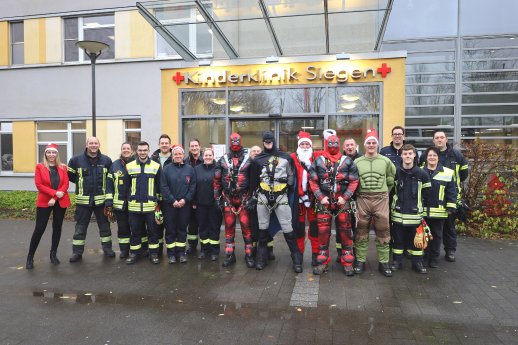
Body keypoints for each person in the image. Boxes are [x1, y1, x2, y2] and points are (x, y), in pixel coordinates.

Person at [250, 131, 303, 273]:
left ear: (274, 141)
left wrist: (285, 188)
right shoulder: (257, 160)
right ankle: (261, 259)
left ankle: (297, 260)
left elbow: (292, 178)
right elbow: (254, 182)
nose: (268, 143)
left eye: (270, 141)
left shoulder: (286, 157)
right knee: (262, 230)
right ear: (263, 142)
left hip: (281, 197)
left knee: (288, 230)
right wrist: (252, 198)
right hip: (262, 198)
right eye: (265, 141)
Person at [309, 133, 359, 276]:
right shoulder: (318, 161)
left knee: (345, 230)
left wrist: (345, 197)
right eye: (330, 143)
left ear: (339, 144)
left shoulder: (347, 161)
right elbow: (313, 181)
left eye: (335, 143)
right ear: (326, 144)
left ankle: (348, 261)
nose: (333, 146)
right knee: (323, 231)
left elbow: (354, 180)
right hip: (324, 202)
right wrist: (320, 197)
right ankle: (322, 261)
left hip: (342, 202)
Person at [418, 130, 468, 262]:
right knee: (432, 230)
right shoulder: (425, 156)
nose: (439, 140)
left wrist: (452, 199)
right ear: (433, 140)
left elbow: (464, 174)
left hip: (450, 197)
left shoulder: (456, 155)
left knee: (449, 227)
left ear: (446, 139)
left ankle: (450, 251)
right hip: (433, 199)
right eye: (437, 138)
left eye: (442, 137)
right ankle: (427, 253)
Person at [353, 129, 396, 277]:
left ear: (377, 145)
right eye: (369, 142)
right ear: (365, 145)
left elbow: (391, 178)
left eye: (374, 143)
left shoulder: (385, 161)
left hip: (381, 198)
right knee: (361, 229)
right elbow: (352, 180)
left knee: (383, 230)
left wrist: (385, 192)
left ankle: (384, 263)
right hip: (362, 198)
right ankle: (360, 261)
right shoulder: (357, 162)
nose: (371, 145)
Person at [67, 137, 114, 262]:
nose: (93, 145)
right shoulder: (75, 160)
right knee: (80, 228)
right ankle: (77, 252)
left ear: (99, 144)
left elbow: (110, 180)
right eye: (91, 143)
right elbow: (71, 176)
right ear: (87, 145)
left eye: (95, 143)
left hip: (101, 201)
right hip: (83, 202)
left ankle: (107, 249)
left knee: (105, 227)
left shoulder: (106, 160)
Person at [26, 143, 70, 269]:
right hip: (45, 201)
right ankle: (30, 257)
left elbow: (65, 184)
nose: (51, 155)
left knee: (57, 227)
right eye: (49, 152)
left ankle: (53, 254)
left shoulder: (62, 167)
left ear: (57, 154)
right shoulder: (40, 167)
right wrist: (54, 194)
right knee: (39, 228)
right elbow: (39, 185)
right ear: (45, 153)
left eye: (54, 152)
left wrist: (55, 198)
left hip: (60, 201)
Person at [214, 133, 254, 268]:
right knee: (229, 226)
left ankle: (249, 254)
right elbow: (217, 180)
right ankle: (230, 255)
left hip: (244, 197)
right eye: (233, 140)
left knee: (246, 226)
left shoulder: (249, 159)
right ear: (230, 142)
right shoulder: (222, 159)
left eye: (237, 140)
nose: (235, 142)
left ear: (241, 141)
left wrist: (253, 198)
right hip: (228, 197)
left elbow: (254, 181)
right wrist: (217, 198)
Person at [390, 144, 431, 274]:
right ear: (401, 155)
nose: (407, 156)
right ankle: (397, 262)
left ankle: (417, 263)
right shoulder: (395, 172)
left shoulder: (422, 174)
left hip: (415, 215)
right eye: (405, 153)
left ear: (414, 155)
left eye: (410, 153)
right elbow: (391, 192)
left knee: (416, 242)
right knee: (398, 241)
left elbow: (427, 193)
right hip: (398, 214)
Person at [125, 141, 162, 264]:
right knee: (135, 232)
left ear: (149, 150)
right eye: (140, 150)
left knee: (153, 232)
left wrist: (159, 205)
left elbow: (160, 185)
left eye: (145, 150)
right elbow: (126, 186)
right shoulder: (129, 166)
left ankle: (154, 254)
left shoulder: (156, 166)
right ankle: (134, 254)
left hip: (151, 207)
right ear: (136, 151)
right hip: (134, 207)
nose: (142, 152)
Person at [422, 146, 457, 268]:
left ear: (438, 158)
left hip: (439, 212)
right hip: (423, 211)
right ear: (426, 158)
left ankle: (434, 258)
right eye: (430, 155)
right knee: (424, 236)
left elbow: (452, 191)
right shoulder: (421, 171)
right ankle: (424, 257)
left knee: (437, 236)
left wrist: (450, 207)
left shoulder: (447, 172)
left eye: (434, 155)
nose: (432, 158)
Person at [161, 145, 196, 264]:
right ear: (172, 156)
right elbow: (163, 187)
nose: (178, 156)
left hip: (184, 205)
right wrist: (173, 200)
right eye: (175, 154)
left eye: (180, 154)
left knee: (182, 229)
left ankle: (181, 253)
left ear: (183, 155)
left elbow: (193, 187)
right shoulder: (166, 169)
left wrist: (185, 200)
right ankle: (171, 254)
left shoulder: (190, 169)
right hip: (170, 205)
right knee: (170, 229)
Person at [290, 131, 319, 266]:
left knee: (315, 228)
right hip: (298, 200)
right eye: (303, 144)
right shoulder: (291, 158)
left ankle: (316, 254)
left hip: (314, 199)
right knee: (299, 228)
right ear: (298, 145)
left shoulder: (317, 157)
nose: (305, 146)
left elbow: (332, 154)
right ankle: (298, 256)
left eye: (307, 144)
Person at [106, 142, 134, 259]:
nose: (126, 150)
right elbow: (109, 185)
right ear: (121, 150)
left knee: (136, 227)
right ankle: (124, 250)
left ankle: (137, 249)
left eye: (128, 148)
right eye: (124, 148)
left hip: (135, 203)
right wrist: (109, 203)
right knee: (122, 228)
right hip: (120, 204)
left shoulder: (137, 163)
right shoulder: (114, 165)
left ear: (132, 150)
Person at [194, 148, 222, 261]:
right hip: (200, 204)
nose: (208, 157)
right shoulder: (196, 169)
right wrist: (194, 201)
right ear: (203, 156)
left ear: (213, 156)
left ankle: (214, 251)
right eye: (206, 155)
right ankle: (204, 250)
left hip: (214, 205)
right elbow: (193, 186)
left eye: (210, 155)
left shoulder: (218, 169)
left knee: (214, 227)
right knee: (203, 228)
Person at [249, 145, 275, 261]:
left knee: (267, 226)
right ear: (250, 154)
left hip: (266, 200)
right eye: (253, 151)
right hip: (252, 201)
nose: (255, 153)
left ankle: (269, 250)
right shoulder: (246, 166)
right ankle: (254, 250)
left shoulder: (266, 165)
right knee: (253, 226)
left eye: (258, 151)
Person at [151, 134, 173, 256]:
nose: (164, 145)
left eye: (166, 143)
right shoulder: (153, 159)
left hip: (169, 199)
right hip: (157, 199)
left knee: (169, 225)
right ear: (159, 144)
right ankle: (158, 251)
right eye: (162, 143)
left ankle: (170, 251)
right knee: (157, 225)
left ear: (170, 144)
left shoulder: (175, 157)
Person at [185, 139, 203, 255]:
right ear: (189, 148)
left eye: (196, 145)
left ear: (200, 147)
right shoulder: (185, 161)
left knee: (203, 223)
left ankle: (204, 247)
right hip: (189, 198)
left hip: (202, 198)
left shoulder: (206, 159)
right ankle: (192, 246)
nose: (194, 148)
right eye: (192, 146)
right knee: (191, 225)